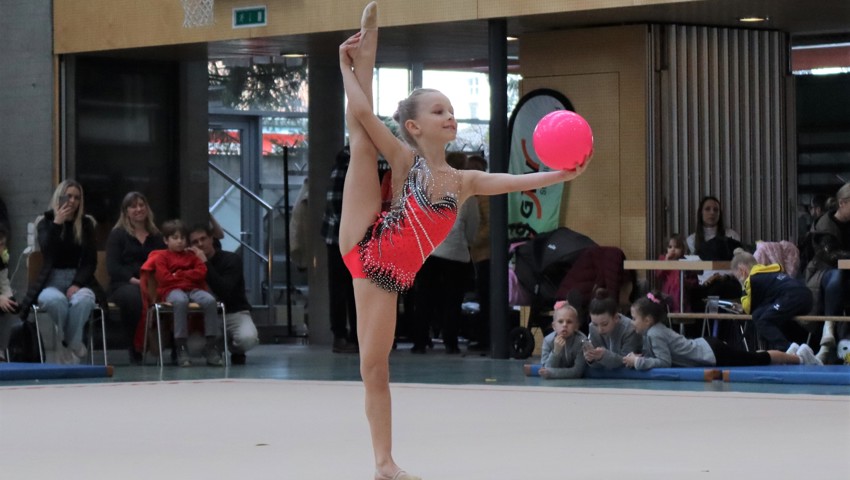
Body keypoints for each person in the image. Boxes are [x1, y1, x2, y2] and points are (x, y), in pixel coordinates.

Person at [337, 3, 587, 478]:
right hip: (366, 251)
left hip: (392, 275)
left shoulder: (463, 180)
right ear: (414, 127)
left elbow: (513, 180)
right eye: (439, 111)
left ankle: (382, 462)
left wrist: (564, 172)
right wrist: (343, 66)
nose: (450, 116)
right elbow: (365, 112)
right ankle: (365, 48)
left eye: (451, 110)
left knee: (377, 369)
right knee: (362, 140)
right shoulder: (407, 159)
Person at [623, 291, 821, 370]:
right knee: (752, 356)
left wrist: (639, 361)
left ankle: (800, 357)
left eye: (634, 319)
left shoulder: (655, 333)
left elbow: (664, 362)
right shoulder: (653, 331)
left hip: (712, 353)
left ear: (648, 320)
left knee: (756, 358)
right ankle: (794, 352)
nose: (632, 323)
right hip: (709, 347)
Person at [19, 180, 100, 364]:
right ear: (59, 197)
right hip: (52, 280)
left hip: (79, 279)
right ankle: (75, 342)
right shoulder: (45, 221)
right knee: (54, 300)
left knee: (85, 300)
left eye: (76, 198)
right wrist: (57, 223)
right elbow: (47, 251)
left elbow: (90, 261)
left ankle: (67, 342)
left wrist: (77, 283)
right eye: (68, 196)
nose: (72, 201)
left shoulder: (86, 223)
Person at [411, 152, 478, 354]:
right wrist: (468, 243)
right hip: (456, 254)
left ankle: (420, 341)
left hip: (428, 252)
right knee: (452, 300)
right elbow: (473, 225)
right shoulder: (466, 192)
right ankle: (450, 342)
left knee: (424, 298)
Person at [140, 219, 221, 367]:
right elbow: (164, 279)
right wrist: (187, 275)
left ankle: (211, 345)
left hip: (194, 289)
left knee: (210, 300)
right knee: (180, 301)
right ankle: (181, 346)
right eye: (175, 238)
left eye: (183, 238)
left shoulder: (192, 256)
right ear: (166, 240)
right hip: (172, 291)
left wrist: (178, 275)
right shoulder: (161, 257)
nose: (180, 241)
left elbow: (202, 272)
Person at [106, 192, 165, 363]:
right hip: (124, 284)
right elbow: (114, 268)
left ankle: (174, 346)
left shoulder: (157, 236)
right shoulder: (117, 235)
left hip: (152, 284)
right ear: (125, 212)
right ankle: (135, 347)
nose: (138, 209)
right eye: (133, 206)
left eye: (141, 205)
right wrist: (138, 282)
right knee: (134, 297)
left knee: (173, 295)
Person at [188, 224, 259, 365]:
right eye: (195, 242)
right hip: (209, 316)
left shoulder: (231, 259)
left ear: (212, 239)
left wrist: (205, 263)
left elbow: (224, 290)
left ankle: (235, 349)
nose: (200, 244)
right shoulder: (190, 264)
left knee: (247, 339)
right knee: (192, 347)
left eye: (204, 239)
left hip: (235, 312)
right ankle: (215, 347)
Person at [730, 248, 813, 351]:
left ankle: (788, 348)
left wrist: (742, 286)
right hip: (805, 296)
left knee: (764, 321)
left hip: (791, 297)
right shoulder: (766, 272)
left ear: (742, 271)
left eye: (738, 277)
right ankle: (794, 346)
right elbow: (756, 310)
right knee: (758, 314)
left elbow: (748, 308)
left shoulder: (751, 279)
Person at [804, 183, 850, 362]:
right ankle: (828, 327)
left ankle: (840, 341)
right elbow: (832, 256)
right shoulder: (824, 224)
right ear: (842, 203)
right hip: (823, 274)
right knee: (838, 275)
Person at [321, 146, 359, 354]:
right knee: (343, 289)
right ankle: (342, 335)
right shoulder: (346, 167)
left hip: (343, 237)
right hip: (340, 238)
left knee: (349, 289)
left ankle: (350, 335)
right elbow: (337, 204)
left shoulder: (347, 166)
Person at [467, 154, 491, 352]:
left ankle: (486, 339)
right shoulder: (474, 193)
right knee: (481, 298)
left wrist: (471, 244)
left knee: (486, 298)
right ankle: (483, 337)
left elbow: (488, 225)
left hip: (485, 255)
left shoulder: (484, 194)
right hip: (479, 254)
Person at [583, 288, 642, 369]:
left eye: (604, 324)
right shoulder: (592, 327)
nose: (600, 330)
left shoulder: (629, 329)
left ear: (616, 318)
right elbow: (597, 366)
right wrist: (591, 359)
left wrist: (604, 356)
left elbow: (627, 362)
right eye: (595, 324)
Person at [536, 301, 587, 379]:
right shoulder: (548, 341)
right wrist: (556, 352)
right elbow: (546, 369)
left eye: (569, 322)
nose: (564, 325)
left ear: (576, 326)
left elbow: (578, 372)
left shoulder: (582, 341)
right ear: (554, 326)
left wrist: (552, 373)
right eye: (560, 321)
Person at [654, 233, 695, 313]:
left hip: (683, 293)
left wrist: (684, 281)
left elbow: (693, 280)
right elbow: (659, 275)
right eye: (670, 247)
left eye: (676, 247)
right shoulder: (663, 259)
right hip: (667, 292)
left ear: (683, 249)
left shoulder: (686, 262)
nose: (673, 250)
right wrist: (666, 261)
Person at [0, 224, 21, 360]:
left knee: (7, 305)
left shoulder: (2, 259)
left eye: (3, 244)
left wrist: (9, 298)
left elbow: (3, 282)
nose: (2, 248)